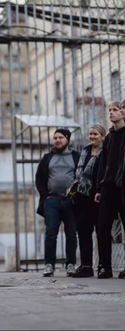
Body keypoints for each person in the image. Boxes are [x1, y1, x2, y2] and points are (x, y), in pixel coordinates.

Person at [35, 128, 79, 277]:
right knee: (51, 234)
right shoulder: (48, 157)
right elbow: (39, 178)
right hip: (52, 201)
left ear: (67, 139)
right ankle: (49, 265)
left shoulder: (76, 157)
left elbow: (80, 177)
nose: (57, 140)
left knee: (71, 234)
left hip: (71, 202)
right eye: (55, 138)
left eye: (60, 137)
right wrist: (44, 196)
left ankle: (71, 264)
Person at [68, 123, 106, 278]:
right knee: (83, 233)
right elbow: (79, 174)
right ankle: (86, 266)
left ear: (102, 136)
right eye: (90, 134)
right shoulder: (84, 151)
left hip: (99, 197)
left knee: (101, 233)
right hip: (83, 197)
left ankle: (103, 265)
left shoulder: (106, 152)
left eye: (95, 134)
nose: (92, 137)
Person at [95, 101, 125, 279]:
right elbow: (103, 164)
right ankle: (104, 266)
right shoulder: (109, 138)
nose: (112, 113)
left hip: (123, 186)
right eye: (110, 110)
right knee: (103, 228)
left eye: (115, 110)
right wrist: (99, 187)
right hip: (108, 187)